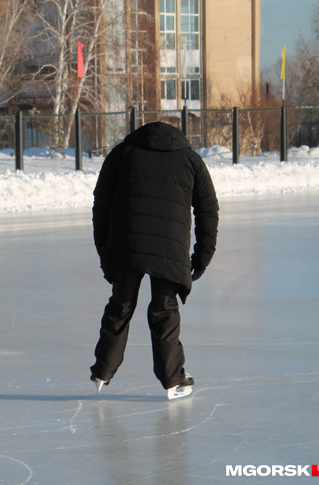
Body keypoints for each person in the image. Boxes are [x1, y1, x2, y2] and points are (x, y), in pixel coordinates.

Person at [90, 121, 219, 400]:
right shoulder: (190, 159)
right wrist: (201, 257)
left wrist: (105, 248)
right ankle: (173, 379)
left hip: (128, 243)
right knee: (164, 309)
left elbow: (101, 202)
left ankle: (103, 370)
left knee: (121, 304)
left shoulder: (122, 153)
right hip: (170, 247)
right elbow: (209, 212)